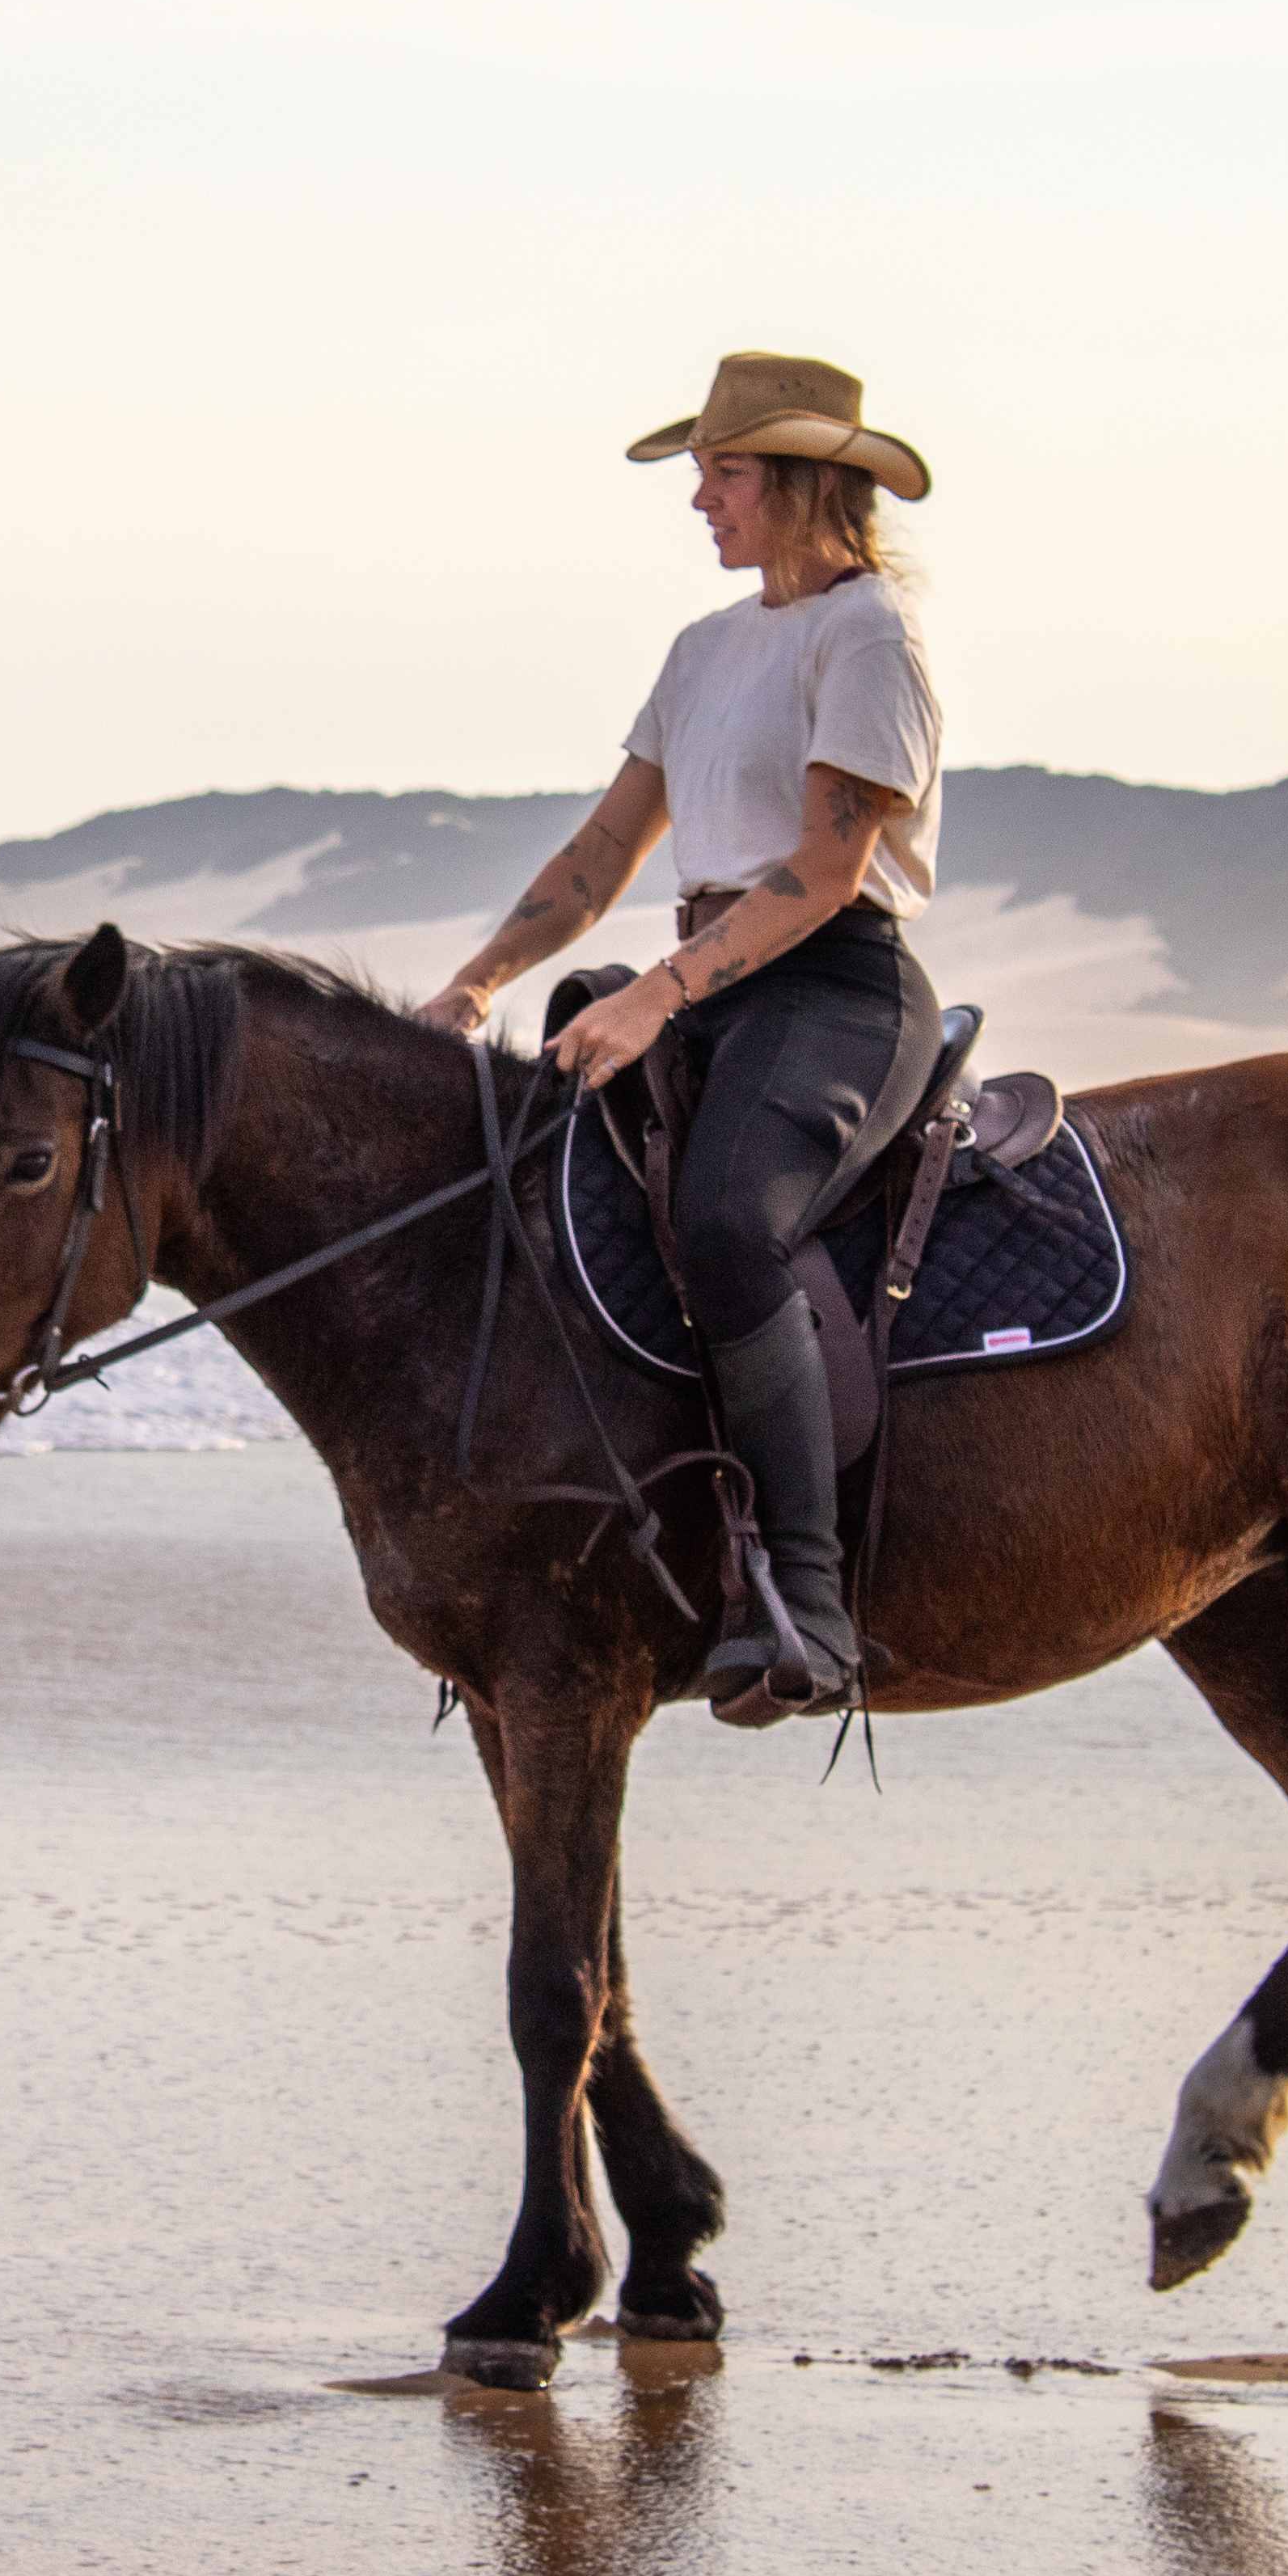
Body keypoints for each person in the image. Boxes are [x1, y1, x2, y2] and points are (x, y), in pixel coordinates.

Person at [414, 353, 944, 1717]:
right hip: (716, 979)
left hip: (834, 989)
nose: (699, 499)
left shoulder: (866, 632)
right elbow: (600, 861)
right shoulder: (704, 651)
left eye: (723, 473)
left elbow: (826, 874)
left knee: (726, 1222)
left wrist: (658, 993)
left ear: (801, 483)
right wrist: (477, 984)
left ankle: (809, 1603)